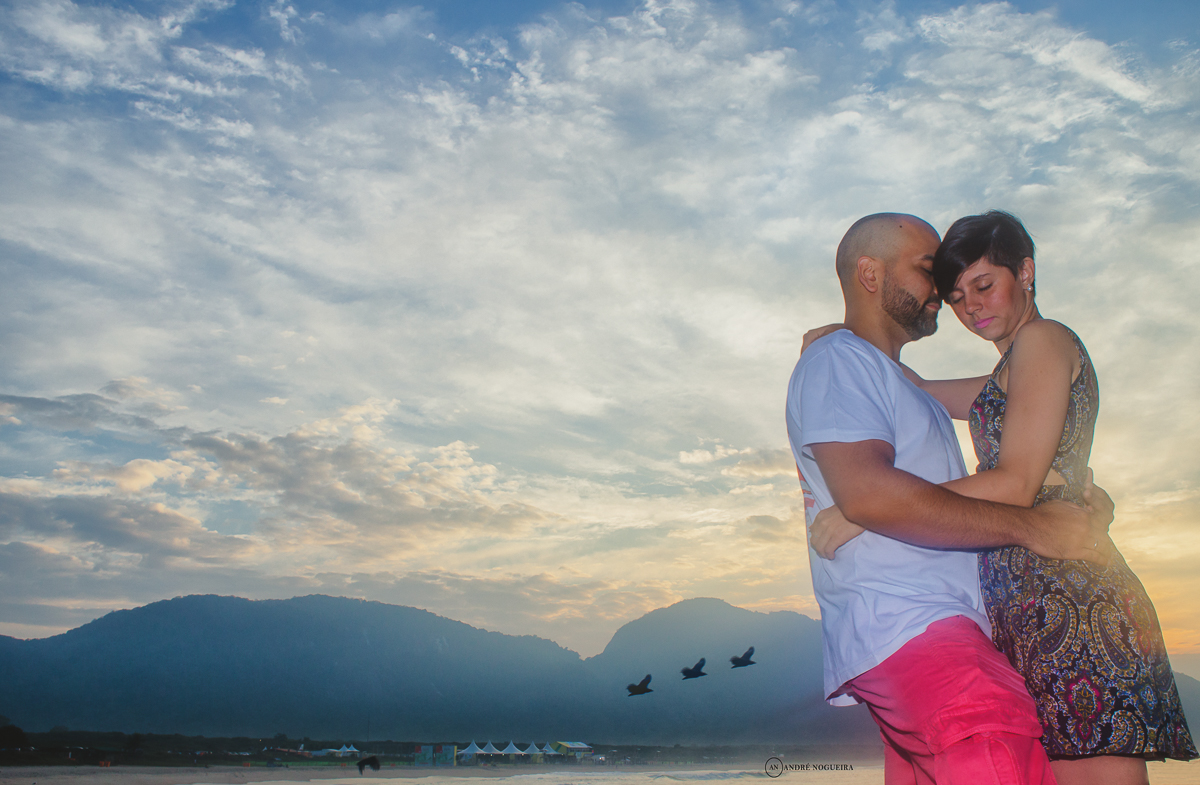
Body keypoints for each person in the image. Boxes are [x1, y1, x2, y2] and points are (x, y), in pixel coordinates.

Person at [805, 211, 1197, 785]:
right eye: (957, 295)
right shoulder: (1005, 375)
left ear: (1027, 271)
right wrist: (839, 337)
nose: (970, 307)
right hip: (1023, 601)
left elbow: (1015, 482)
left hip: (1068, 593)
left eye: (985, 286)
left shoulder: (1043, 340)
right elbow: (914, 388)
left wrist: (866, 511)